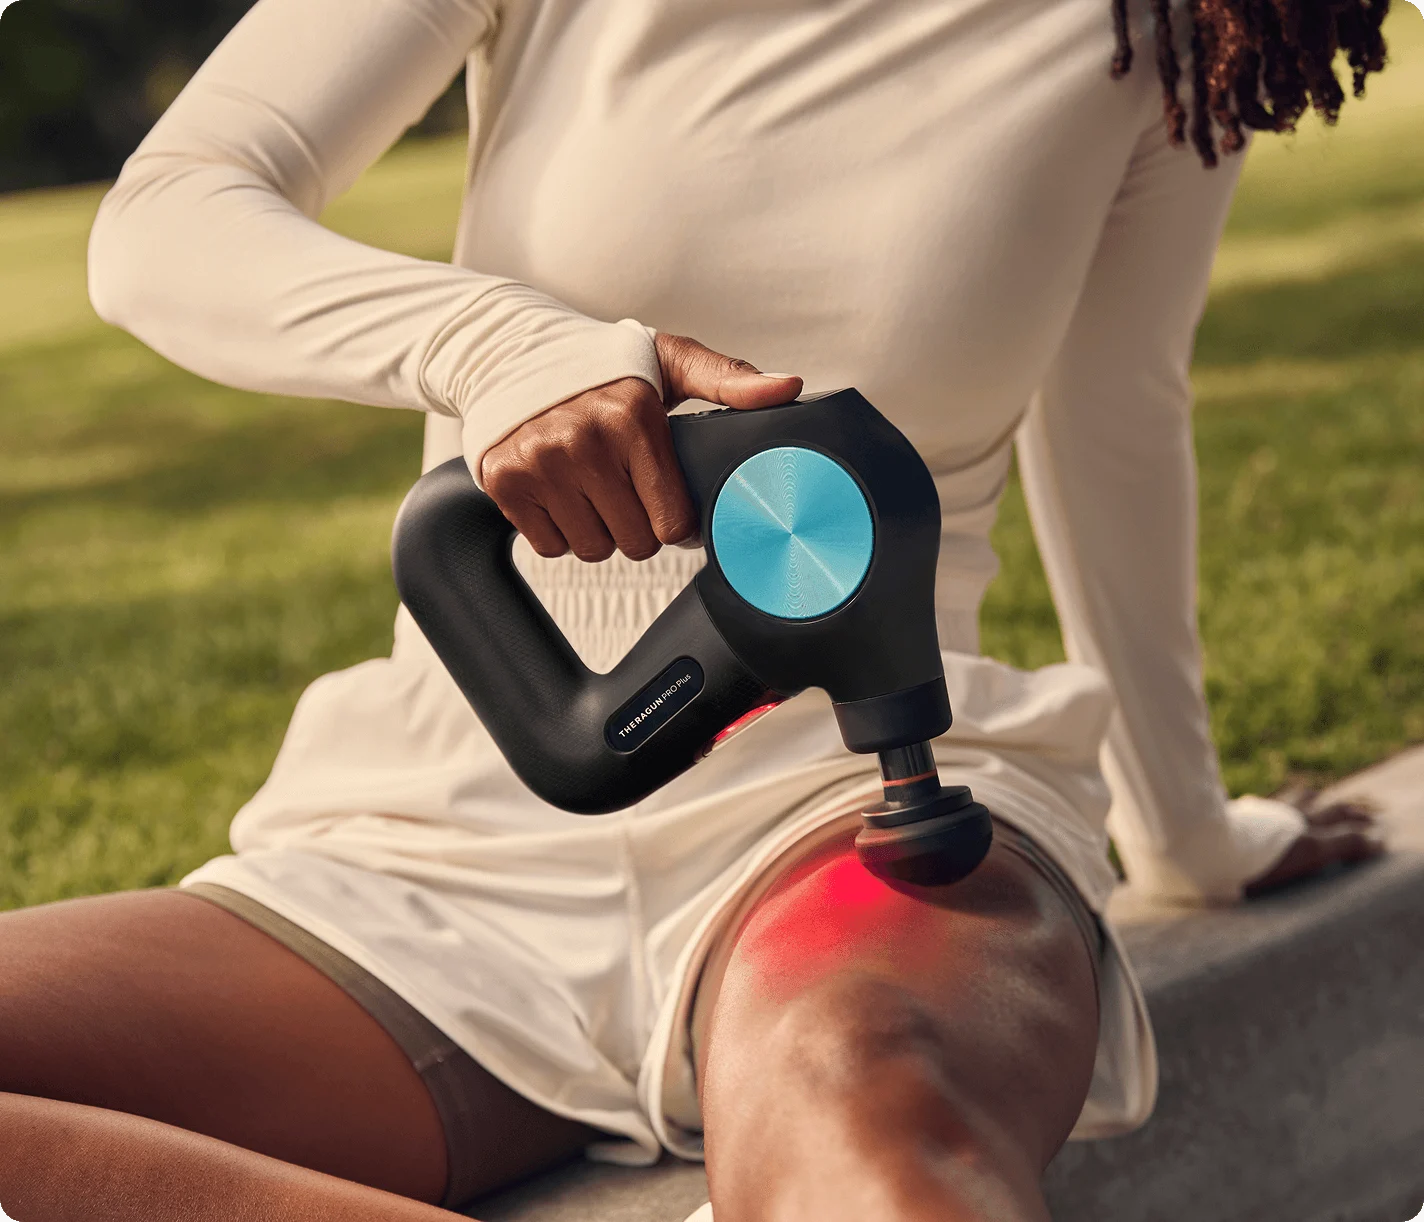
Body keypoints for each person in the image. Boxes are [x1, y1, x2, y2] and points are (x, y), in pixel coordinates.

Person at [0, 0, 1393, 1218]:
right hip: (439, 844)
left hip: (861, 803)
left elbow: (1116, 425)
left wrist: (1188, 834)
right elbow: (169, 212)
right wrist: (502, 350)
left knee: (878, 1140)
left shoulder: (1161, 29)